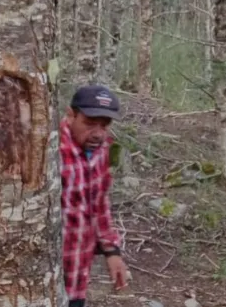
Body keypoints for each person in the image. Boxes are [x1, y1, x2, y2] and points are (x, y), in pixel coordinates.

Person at [60, 84, 130, 307]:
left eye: (104, 125)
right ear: (70, 115)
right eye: (90, 124)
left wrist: (112, 251)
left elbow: (99, 203)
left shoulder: (101, 150)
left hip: (78, 272)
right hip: (45, 274)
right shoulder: (51, 151)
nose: (98, 133)